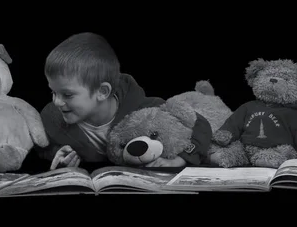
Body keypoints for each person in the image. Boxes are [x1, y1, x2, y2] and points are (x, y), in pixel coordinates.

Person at [37, 32, 212, 171]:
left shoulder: (144, 111)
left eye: (67, 95)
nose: (57, 102)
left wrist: (181, 159)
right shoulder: (52, 119)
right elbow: (45, 147)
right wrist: (58, 157)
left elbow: (199, 125)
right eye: (53, 92)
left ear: (102, 92)